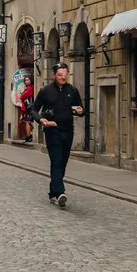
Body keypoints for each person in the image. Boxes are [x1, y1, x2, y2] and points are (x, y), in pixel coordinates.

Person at [32, 63, 84, 208]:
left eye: (65, 74)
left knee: (63, 162)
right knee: (56, 160)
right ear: (54, 75)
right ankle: (61, 192)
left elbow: (79, 109)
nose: (63, 77)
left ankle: (52, 192)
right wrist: (40, 119)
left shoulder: (72, 90)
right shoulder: (46, 91)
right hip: (52, 130)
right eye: (60, 75)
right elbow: (34, 109)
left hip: (68, 130)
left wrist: (80, 111)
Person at [18, 76, 35, 143]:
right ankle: (30, 134)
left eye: (28, 80)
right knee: (29, 122)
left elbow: (22, 96)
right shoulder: (30, 88)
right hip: (29, 107)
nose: (26, 81)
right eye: (25, 80)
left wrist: (22, 96)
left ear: (31, 80)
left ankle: (28, 136)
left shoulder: (29, 88)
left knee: (27, 122)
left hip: (28, 108)